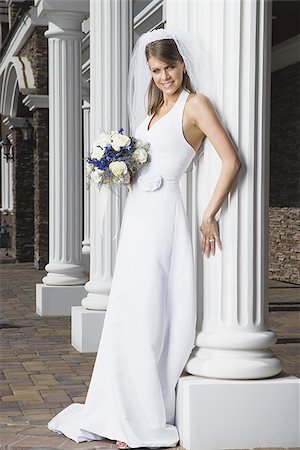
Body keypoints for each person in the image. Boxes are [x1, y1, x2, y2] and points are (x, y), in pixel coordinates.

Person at [47, 29, 241, 449]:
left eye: (169, 67)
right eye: (156, 70)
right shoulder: (153, 112)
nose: (164, 76)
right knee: (127, 312)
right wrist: (115, 166)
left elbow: (231, 160)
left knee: (152, 315)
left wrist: (209, 213)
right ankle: (116, 409)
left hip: (164, 219)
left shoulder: (196, 105)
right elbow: (142, 169)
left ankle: (141, 416)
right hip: (137, 219)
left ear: (183, 64)